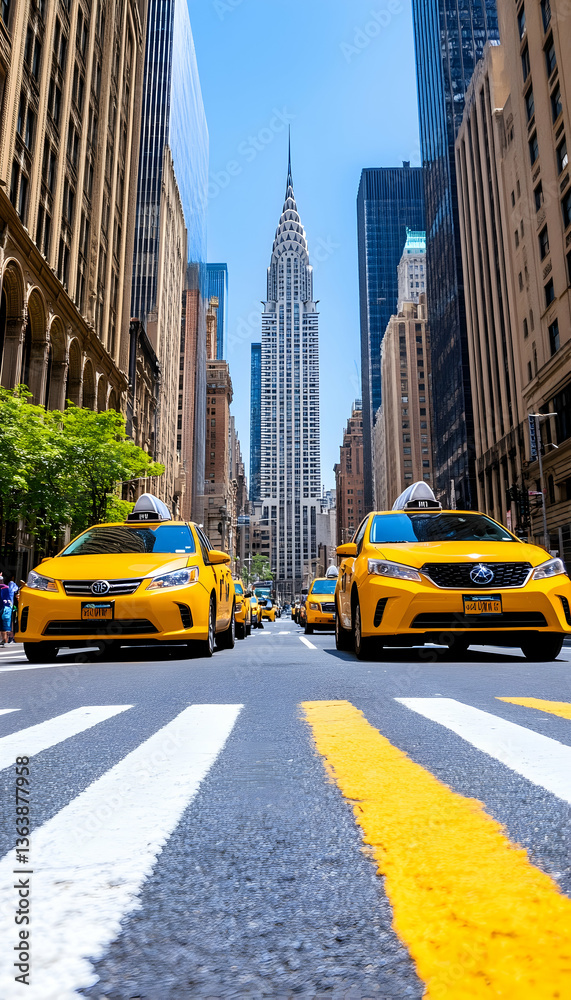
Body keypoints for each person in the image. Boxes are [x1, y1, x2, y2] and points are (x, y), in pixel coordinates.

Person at [0, 574, 13, 645]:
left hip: (4, 607)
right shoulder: (9, 588)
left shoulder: (4, 588)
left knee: (3, 625)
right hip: (8, 607)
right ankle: (5, 639)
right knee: (5, 624)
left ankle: (5, 639)